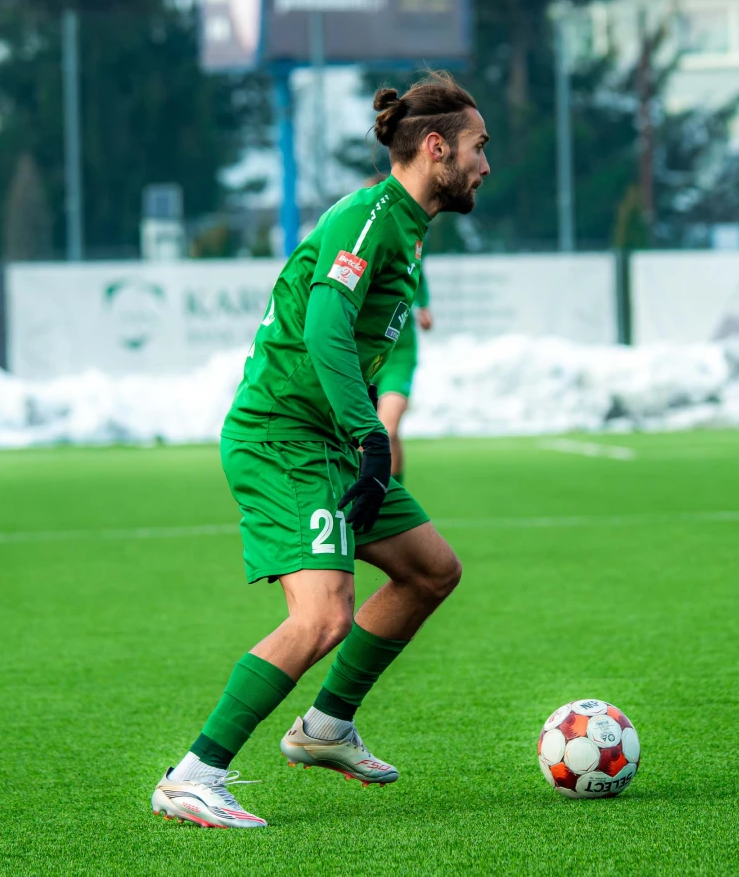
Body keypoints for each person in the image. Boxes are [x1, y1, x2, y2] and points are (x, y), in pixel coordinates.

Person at [151, 71, 491, 829]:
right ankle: (193, 776)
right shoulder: (367, 217)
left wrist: (360, 434)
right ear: (436, 148)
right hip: (283, 439)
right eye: (478, 146)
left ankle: (327, 726)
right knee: (323, 616)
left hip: (328, 440)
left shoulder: (406, 228)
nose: (485, 164)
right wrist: (373, 436)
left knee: (432, 571)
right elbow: (325, 326)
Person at [373, 271, 432, 484]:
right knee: (364, 439)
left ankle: (392, 495)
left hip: (398, 355)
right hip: (363, 356)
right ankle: (372, 492)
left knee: (386, 432)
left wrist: (423, 306)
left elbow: (417, 270)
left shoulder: (403, 252)